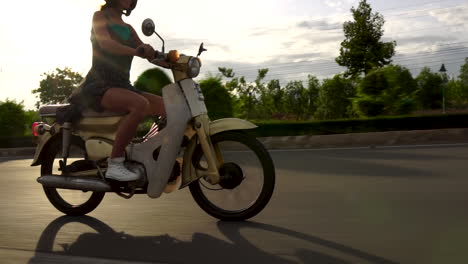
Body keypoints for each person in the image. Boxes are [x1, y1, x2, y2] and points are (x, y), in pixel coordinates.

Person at [78, 0, 166, 181]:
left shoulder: (129, 28)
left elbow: (148, 54)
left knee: (167, 106)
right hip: (100, 85)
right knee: (140, 104)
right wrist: (135, 51)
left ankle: (148, 153)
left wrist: (172, 60)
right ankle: (115, 163)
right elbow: (106, 44)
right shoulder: (100, 17)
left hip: (123, 85)